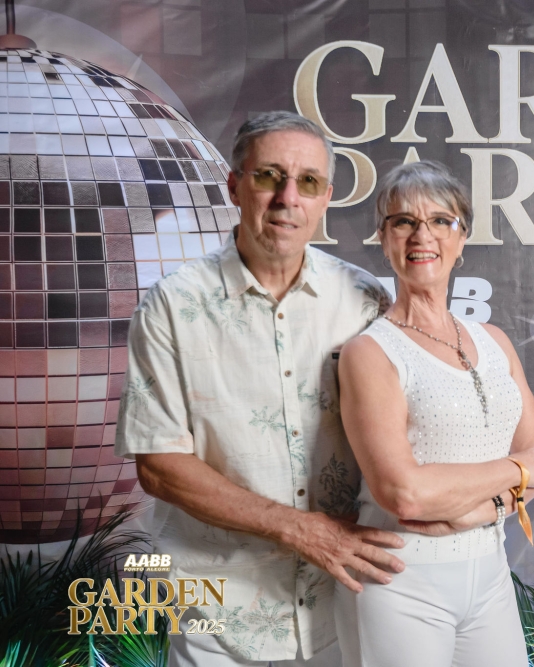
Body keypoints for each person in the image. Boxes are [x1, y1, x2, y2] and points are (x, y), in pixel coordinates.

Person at [114, 111, 407, 667]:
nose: (287, 198)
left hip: (341, 603)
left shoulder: (366, 301)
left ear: (326, 198)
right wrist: (299, 530)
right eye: (270, 176)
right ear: (234, 186)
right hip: (217, 610)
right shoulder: (171, 305)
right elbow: (158, 466)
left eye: (309, 182)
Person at [333, 161, 534, 667]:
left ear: (462, 239)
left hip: (491, 571)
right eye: (404, 221)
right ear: (384, 238)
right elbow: (405, 494)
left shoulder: (495, 341)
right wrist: (515, 470)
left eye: (441, 221)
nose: (423, 235)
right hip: (400, 580)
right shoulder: (370, 352)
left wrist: (478, 512)